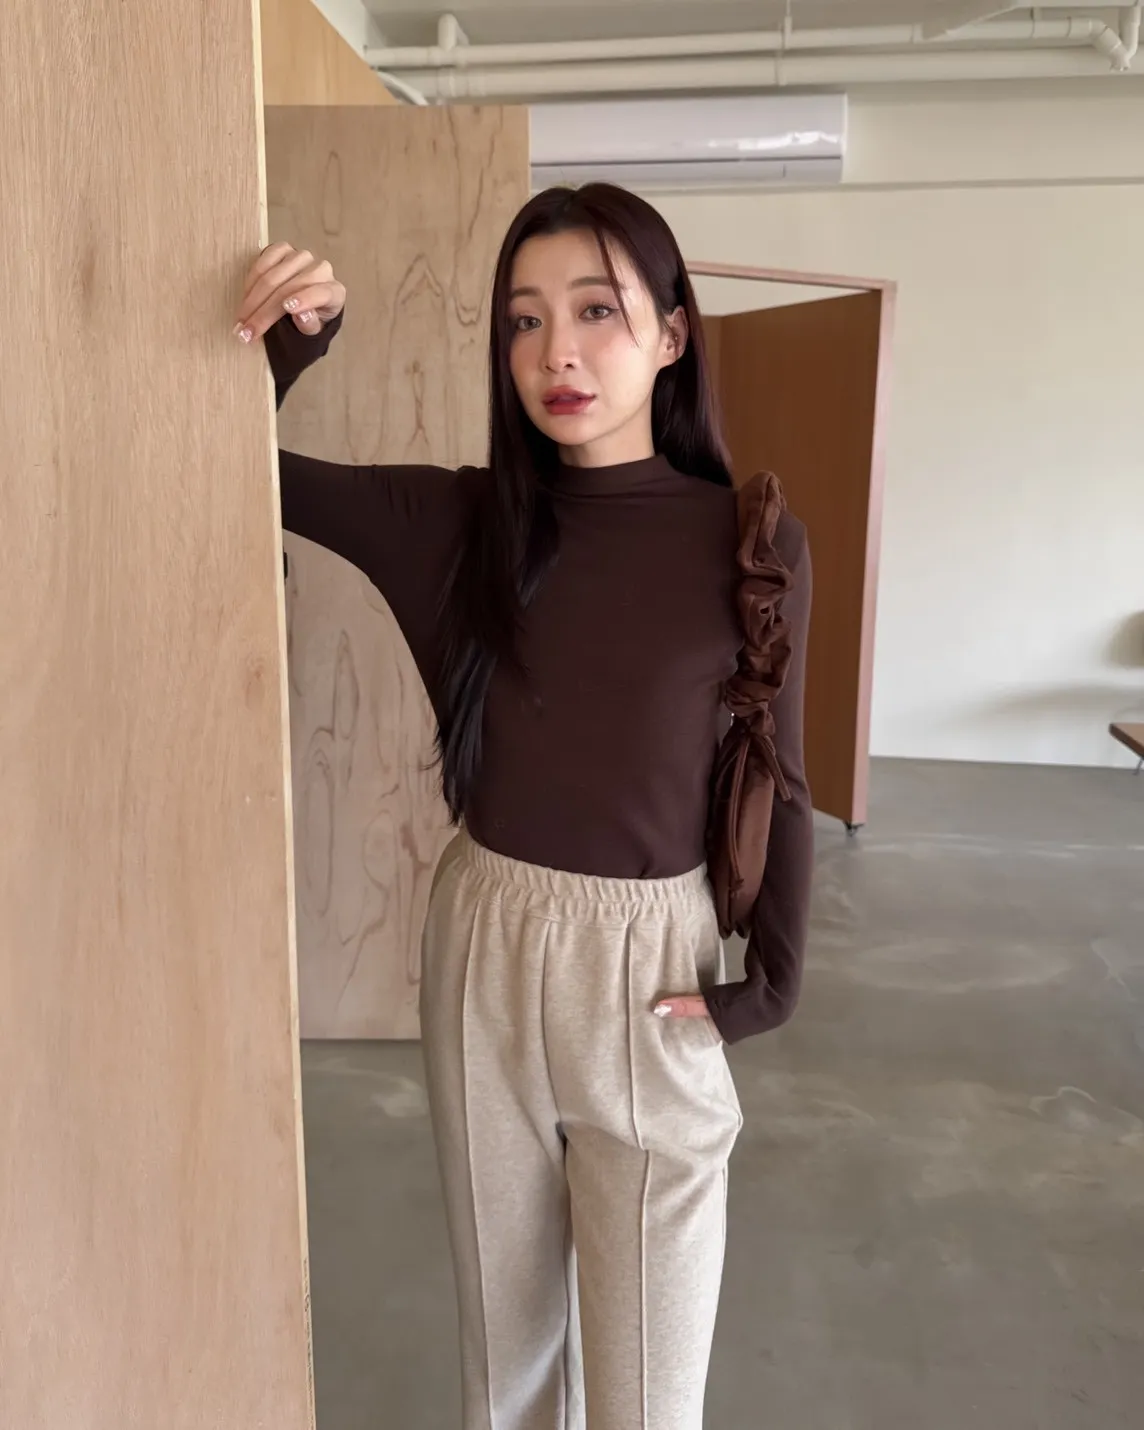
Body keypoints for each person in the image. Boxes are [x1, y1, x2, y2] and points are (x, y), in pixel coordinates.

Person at [233, 182, 814, 1430]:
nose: (557, 351)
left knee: (650, 1389)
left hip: (652, 964)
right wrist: (294, 346)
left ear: (672, 332)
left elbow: (782, 772)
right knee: (508, 1366)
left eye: (598, 310)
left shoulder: (747, 543)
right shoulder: (457, 523)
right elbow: (227, 471)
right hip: (485, 944)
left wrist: (770, 981)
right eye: (524, 319)